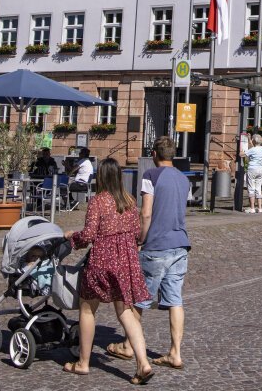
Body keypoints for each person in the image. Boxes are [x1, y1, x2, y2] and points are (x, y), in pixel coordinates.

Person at [63, 158, 155, 385]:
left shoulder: (98, 201)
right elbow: (136, 232)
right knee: (126, 311)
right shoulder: (129, 200)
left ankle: (83, 363)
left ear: (101, 177)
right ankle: (143, 363)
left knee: (87, 309)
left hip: (103, 260)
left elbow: (88, 235)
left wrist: (71, 237)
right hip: (126, 261)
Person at [108, 135, 190, 371]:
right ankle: (175, 353)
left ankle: (128, 345)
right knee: (175, 300)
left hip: (157, 245)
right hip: (180, 244)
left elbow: (146, 213)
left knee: (138, 299)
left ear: (154, 154)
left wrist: (139, 239)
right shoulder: (183, 180)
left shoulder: (151, 175)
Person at [243, 134, 262, 214]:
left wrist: (241, 150)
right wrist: (250, 139)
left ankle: (252, 208)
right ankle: (260, 208)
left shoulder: (252, 150)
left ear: (254, 140)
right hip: (260, 170)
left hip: (252, 169)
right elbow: (254, 147)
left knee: (251, 189)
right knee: (258, 189)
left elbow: (242, 154)